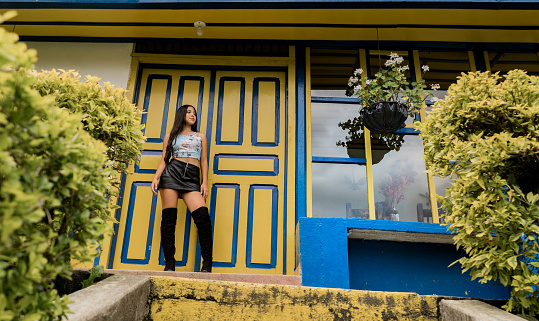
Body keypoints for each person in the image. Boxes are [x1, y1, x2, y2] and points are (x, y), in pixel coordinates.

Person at [151, 104, 213, 273]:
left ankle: (207, 264)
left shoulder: (200, 136)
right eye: (189, 112)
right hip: (171, 174)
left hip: (192, 178)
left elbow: (204, 161)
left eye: (194, 112)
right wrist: (156, 178)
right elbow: (164, 160)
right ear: (181, 115)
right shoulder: (170, 136)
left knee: (203, 220)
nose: (192, 115)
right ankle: (170, 263)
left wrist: (204, 182)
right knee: (169, 220)